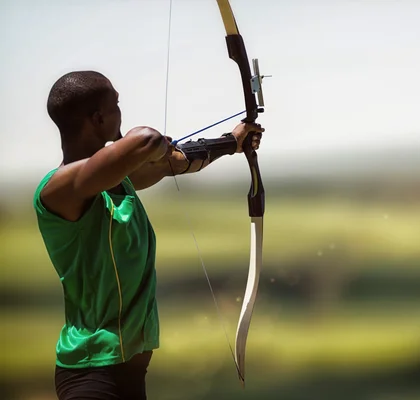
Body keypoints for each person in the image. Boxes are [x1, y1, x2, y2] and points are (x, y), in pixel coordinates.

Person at [32, 70, 264, 400]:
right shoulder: (59, 189)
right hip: (91, 375)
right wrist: (150, 147)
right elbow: (147, 140)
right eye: (115, 104)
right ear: (99, 118)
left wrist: (232, 141)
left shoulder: (121, 181)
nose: (120, 112)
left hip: (130, 374)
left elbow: (178, 162)